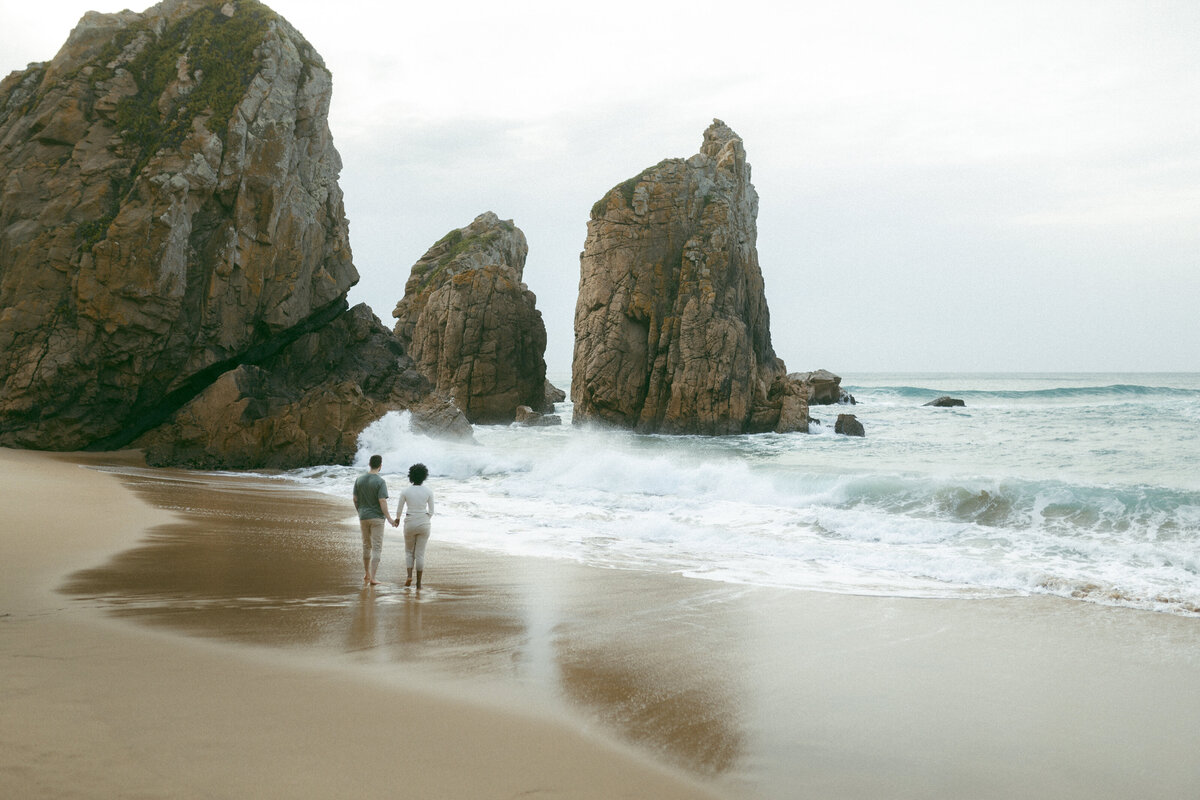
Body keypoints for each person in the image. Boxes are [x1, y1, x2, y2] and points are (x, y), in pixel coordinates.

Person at [352, 454, 397, 585]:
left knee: (366, 545)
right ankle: (373, 578)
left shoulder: (359, 479)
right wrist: (389, 518)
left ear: (369, 464)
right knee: (377, 547)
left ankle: (366, 574)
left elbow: (355, 499)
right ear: (380, 466)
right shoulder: (380, 481)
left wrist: (360, 511)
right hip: (377, 518)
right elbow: (382, 500)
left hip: (363, 516)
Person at [395, 463, 434, 590]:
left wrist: (397, 520)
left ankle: (409, 576)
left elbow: (399, 509)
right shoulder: (428, 491)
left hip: (410, 522)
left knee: (409, 552)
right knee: (420, 554)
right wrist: (425, 519)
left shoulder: (405, 491)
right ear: (424, 476)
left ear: (410, 476)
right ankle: (418, 584)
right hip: (424, 522)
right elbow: (431, 511)